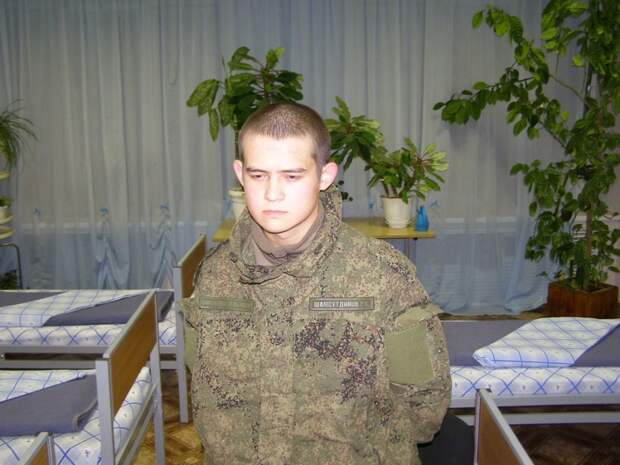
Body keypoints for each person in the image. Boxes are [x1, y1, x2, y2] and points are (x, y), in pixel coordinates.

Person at [182, 102, 451, 465]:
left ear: (325, 176)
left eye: (292, 176)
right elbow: (203, 388)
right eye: (258, 175)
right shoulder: (215, 275)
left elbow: (425, 407)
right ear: (240, 174)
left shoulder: (383, 275)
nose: (272, 193)